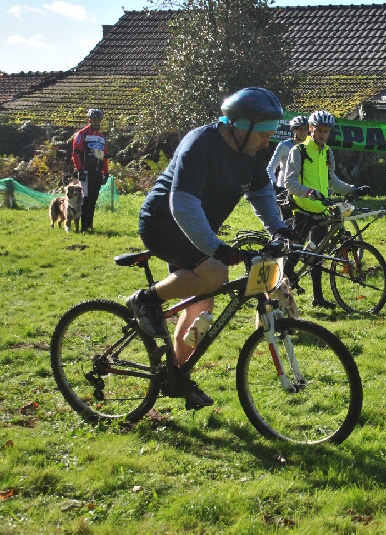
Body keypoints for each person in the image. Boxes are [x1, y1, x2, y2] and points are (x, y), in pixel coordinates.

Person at [127, 87, 295, 410]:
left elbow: (261, 192)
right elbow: (183, 205)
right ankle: (146, 300)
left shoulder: (251, 152)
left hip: (196, 227)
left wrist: (278, 229)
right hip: (163, 224)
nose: (267, 144)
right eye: (263, 135)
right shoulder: (200, 145)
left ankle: (177, 376)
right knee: (215, 274)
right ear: (240, 127)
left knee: (201, 309)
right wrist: (216, 249)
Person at [283, 110, 370, 309]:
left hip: (321, 210)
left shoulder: (327, 152)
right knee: (295, 254)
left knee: (317, 256)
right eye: (319, 130)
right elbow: (289, 182)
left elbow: (332, 180)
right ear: (311, 129)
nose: (323, 134)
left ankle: (318, 298)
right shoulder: (299, 151)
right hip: (303, 209)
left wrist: (353, 189)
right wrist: (308, 192)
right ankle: (279, 293)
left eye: (326, 131)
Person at [71, 108, 109, 232]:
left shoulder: (101, 137)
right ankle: (84, 226)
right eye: (94, 120)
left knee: (93, 199)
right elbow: (76, 153)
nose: (96, 122)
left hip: (97, 172)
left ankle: (90, 225)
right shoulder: (82, 134)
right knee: (86, 199)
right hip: (86, 172)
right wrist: (80, 170)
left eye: (98, 120)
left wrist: (106, 172)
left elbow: (104, 157)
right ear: (89, 120)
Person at [266, 115, 309, 219]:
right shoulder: (285, 145)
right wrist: (274, 184)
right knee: (286, 221)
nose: (303, 132)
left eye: (305, 129)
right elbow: (271, 167)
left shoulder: (310, 147)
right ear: (294, 130)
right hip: (284, 188)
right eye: (300, 129)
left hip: (302, 189)